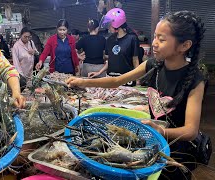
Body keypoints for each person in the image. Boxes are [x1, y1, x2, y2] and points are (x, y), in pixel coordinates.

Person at [67, 11, 206, 179]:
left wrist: (161, 131)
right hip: (152, 145)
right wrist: (82, 82)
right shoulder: (153, 65)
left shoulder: (195, 80)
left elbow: (191, 130)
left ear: (184, 46)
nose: (154, 43)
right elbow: (116, 81)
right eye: (155, 37)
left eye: (161, 39)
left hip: (176, 154)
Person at [89, 8, 140, 86]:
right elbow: (110, 60)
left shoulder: (132, 38)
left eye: (110, 24)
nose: (108, 27)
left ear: (117, 23)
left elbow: (135, 61)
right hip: (110, 79)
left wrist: (138, 80)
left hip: (126, 80)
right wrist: (99, 72)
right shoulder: (110, 39)